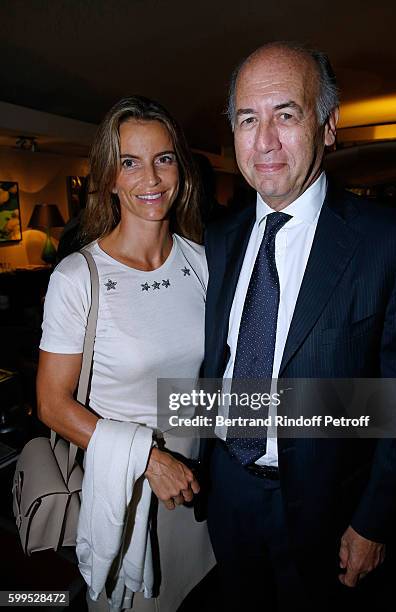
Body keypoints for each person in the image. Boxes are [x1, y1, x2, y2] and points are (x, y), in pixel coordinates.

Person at [201, 42, 396, 611]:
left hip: (331, 513)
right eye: (248, 119)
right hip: (229, 491)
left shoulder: (389, 242)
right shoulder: (220, 238)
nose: (264, 140)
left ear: (328, 125)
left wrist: (374, 521)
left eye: (285, 115)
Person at [37, 95, 214, 611]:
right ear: (109, 177)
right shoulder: (78, 278)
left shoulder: (202, 263)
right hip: (129, 496)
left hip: (198, 491)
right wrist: (148, 459)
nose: (151, 179)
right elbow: (51, 403)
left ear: (180, 167)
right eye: (130, 163)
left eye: (163, 159)